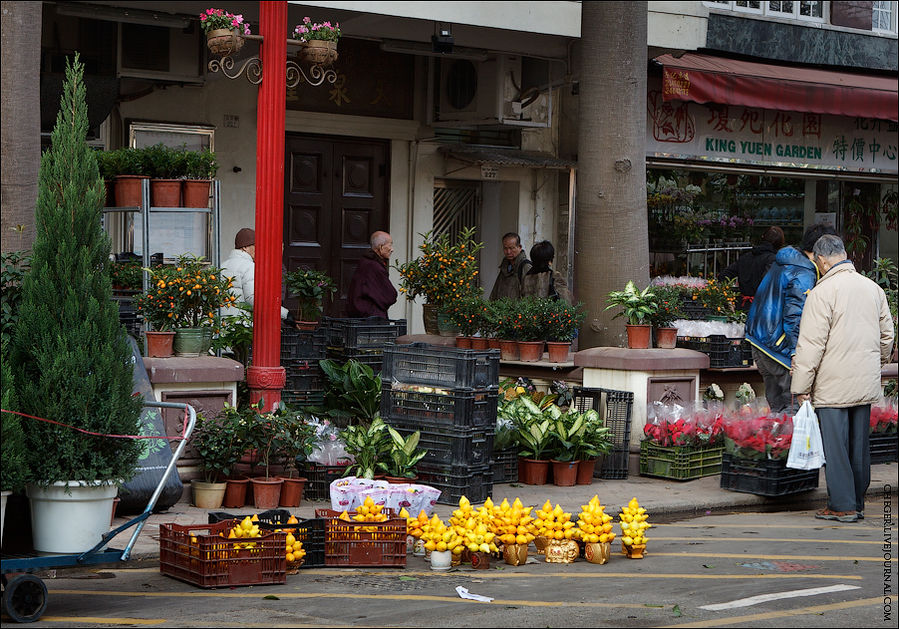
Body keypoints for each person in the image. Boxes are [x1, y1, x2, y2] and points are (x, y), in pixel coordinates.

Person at [791, 235, 894, 523]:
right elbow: (888, 336)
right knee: (858, 447)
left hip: (832, 384)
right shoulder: (873, 289)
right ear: (844, 254)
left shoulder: (822, 293)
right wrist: (876, 362)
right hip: (864, 381)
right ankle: (857, 502)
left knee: (836, 448)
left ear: (821, 261)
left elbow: (811, 346)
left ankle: (842, 506)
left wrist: (801, 387)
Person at [743, 223, 836, 414]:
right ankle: (787, 443)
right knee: (793, 410)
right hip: (780, 349)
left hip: (761, 341)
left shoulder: (786, 261)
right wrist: (796, 354)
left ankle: (778, 442)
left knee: (778, 408)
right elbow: (795, 316)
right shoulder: (802, 272)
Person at [220, 227, 292, 324]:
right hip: (241, 325)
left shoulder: (222, 265)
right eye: (255, 245)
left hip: (223, 323)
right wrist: (285, 314)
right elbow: (255, 299)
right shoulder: (249, 266)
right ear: (244, 247)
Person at [718, 226, 785, 310]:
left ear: (762, 237)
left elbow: (723, 275)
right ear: (780, 243)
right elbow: (767, 283)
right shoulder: (772, 259)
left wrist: (729, 296)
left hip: (742, 305)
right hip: (761, 308)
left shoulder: (746, 257)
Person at [346, 231, 397, 318]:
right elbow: (390, 296)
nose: (392, 249)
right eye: (390, 245)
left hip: (362, 316)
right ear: (380, 247)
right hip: (371, 320)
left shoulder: (365, 263)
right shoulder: (373, 266)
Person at [489, 232, 532, 300]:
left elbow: (529, 296)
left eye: (512, 248)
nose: (508, 252)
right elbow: (495, 292)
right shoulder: (504, 267)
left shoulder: (526, 267)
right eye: (505, 248)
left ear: (519, 247)